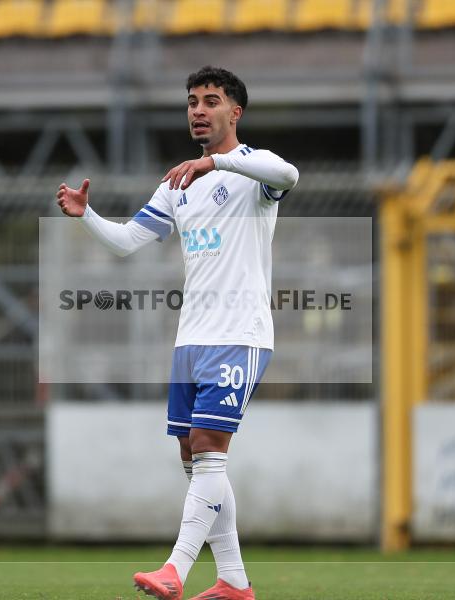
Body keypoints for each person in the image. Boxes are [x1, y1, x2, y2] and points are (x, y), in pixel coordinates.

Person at [55, 66, 298, 600]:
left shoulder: (251, 172)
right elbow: (126, 242)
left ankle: (176, 569)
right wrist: (87, 215)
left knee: (209, 449)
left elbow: (288, 174)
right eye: (192, 101)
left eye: (211, 101)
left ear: (235, 111)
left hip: (240, 334)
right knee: (195, 459)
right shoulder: (178, 185)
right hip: (191, 339)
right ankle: (233, 581)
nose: (198, 110)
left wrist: (215, 161)